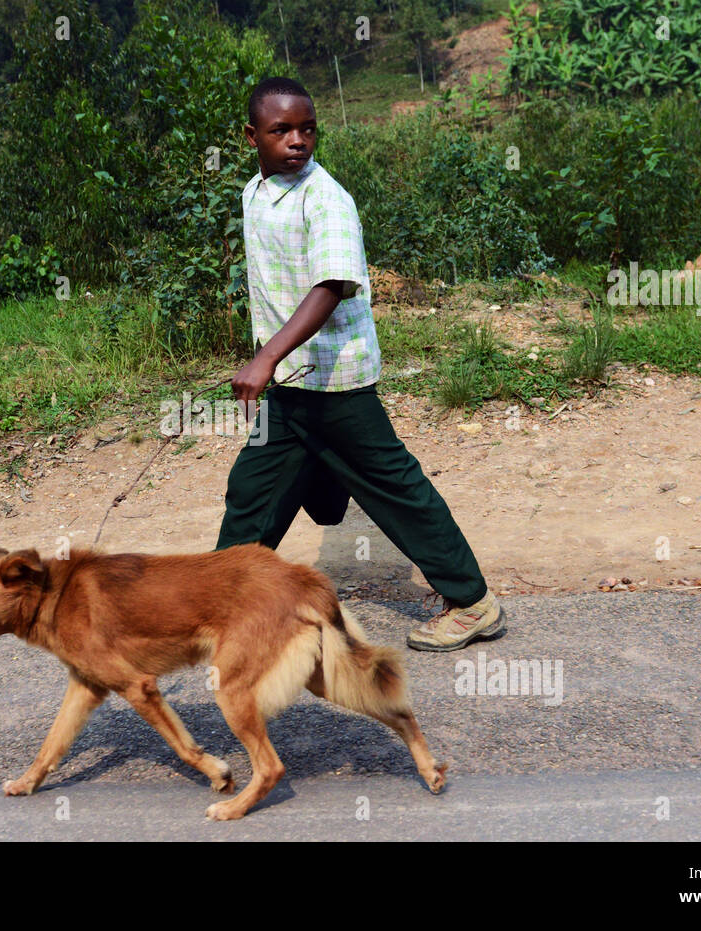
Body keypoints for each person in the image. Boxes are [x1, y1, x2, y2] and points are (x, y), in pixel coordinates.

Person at [214, 76, 506, 653]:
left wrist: (266, 356)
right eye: (282, 130)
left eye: (308, 128)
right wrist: (272, 360)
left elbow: (330, 285)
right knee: (252, 492)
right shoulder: (255, 191)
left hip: (335, 380)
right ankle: (222, 608)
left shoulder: (326, 199)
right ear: (252, 137)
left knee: (393, 488)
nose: (298, 140)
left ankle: (472, 602)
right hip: (292, 385)